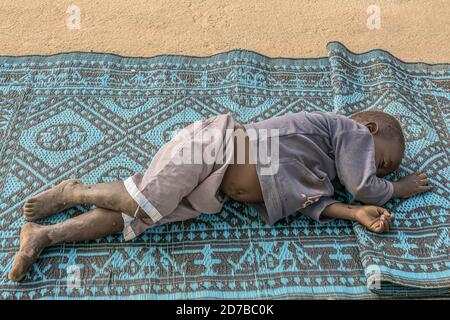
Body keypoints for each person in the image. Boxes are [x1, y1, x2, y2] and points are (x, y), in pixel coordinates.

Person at [8, 110, 432, 281]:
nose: (377, 171)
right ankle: (72, 190)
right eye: (384, 162)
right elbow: (363, 183)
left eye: (384, 171)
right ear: (371, 131)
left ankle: (44, 236)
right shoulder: (348, 131)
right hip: (218, 146)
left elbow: (313, 203)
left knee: (137, 216)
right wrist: (395, 188)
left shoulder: (320, 169)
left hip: (215, 190)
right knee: (144, 201)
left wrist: (354, 214)